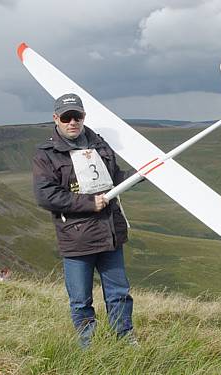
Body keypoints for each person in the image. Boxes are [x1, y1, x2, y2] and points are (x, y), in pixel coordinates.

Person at [32, 93, 136, 348]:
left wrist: (139, 174)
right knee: (80, 299)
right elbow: (46, 195)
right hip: (76, 238)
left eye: (77, 116)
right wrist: (89, 204)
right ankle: (88, 347)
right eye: (66, 117)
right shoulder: (46, 155)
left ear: (83, 117)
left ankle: (124, 342)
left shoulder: (100, 145)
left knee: (119, 295)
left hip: (110, 233)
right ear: (56, 118)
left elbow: (115, 177)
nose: (72, 122)